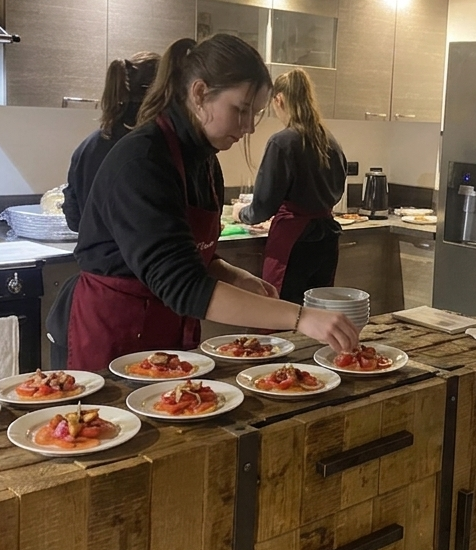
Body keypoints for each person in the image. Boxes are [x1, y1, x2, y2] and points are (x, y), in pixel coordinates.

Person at [66, 34, 359, 371]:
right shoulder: (142, 161)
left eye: (256, 114)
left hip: (167, 328)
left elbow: (184, 253)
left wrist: (233, 275)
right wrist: (301, 317)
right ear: (200, 93)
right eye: (241, 110)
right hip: (116, 331)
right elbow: (183, 285)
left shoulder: (204, 161)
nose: (248, 127)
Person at [233, 68, 347, 303]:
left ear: (279, 99)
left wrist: (242, 214)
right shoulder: (330, 140)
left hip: (294, 241)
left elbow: (264, 205)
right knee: (318, 310)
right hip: (326, 239)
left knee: (284, 311)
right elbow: (337, 190)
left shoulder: (282, 142)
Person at [62, 52, 161, 232]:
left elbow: (74, 219)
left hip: (95, 258)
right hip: (136, 259)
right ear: (159, 94)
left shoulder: (88, 147)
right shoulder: (151, 148)